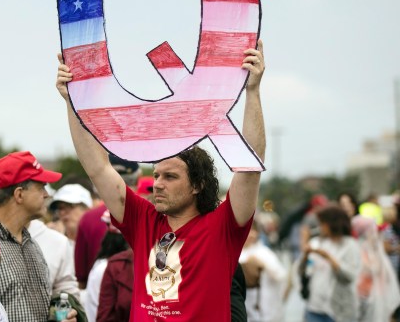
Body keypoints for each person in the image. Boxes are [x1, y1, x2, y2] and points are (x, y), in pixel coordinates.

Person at [55, 40, 266, 321]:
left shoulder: (223, 227)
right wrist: (73, 101)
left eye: (170, 176)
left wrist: (253, 91)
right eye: (155, 175)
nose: (157, 184)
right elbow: (98, 168)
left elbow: (249, 168)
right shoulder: (143, 220)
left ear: (197, 185)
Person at [0, 151, 77, 322]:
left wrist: (58, 317)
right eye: (41, 187)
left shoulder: (32, 245)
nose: (47, 194)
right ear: (19, 195)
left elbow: (35, 311)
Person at [74, 156, 139, 289]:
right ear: (138, 179)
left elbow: (81, 279)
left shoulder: (88, 218)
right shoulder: (155, 215)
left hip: (98, 298)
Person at [299, 204, 359, 322]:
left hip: (338, 310)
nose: (320, 227)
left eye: (322, 223)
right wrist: (305, 257)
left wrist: (329, 258)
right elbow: (303, 272)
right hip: (314, 307)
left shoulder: (350, 245)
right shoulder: (316, 242)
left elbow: (349, 276)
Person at [239, 220, 286, 322]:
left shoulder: (264, 253)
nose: (251, 234)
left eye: (254, 230)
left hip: (266, 312)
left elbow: (280, 275)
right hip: (244, 311)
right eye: (248, 230)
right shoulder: (235, 253)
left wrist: (262, 264)